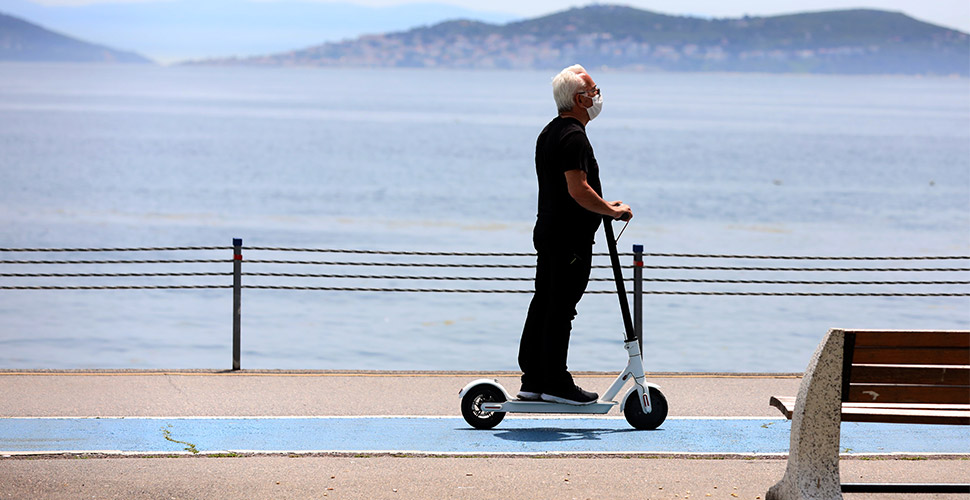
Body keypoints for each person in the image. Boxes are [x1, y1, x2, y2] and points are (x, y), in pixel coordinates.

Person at [517, 64, 633, 405]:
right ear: (580, 99)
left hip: (550, 231)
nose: (598, 97)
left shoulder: (551, 132)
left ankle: (534, 378)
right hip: (569, 239)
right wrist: (611, 211)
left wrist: (602, 205)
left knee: (545, 302)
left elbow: (570, 189)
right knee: (561, 307)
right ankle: (555, 381)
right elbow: (577, 190)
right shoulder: (574, 136)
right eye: (594, 91)